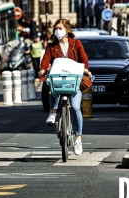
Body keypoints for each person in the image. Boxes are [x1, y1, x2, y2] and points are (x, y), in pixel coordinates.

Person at [38, 18, 91, 155]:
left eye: (60, 28)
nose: (57, 31)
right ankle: (53, 113)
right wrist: (43, 70)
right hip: (59, 79)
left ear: (67, 30)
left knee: (75, 107)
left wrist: (85, 70)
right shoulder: (51, 46)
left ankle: (78, 139)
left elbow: (84, 59)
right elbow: (45, 60)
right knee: (53, 86)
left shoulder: (76, 44)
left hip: (74, 81)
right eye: (56, 29)